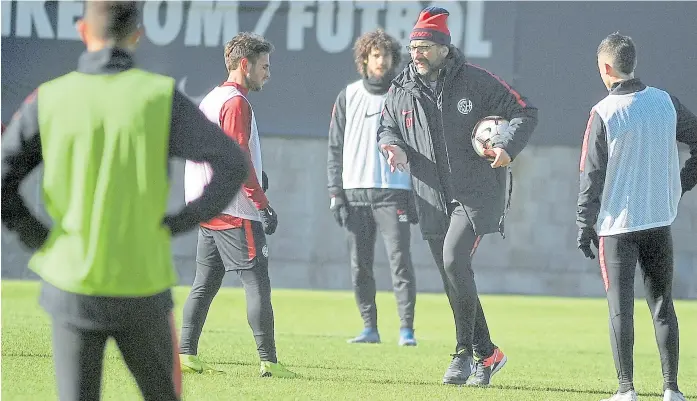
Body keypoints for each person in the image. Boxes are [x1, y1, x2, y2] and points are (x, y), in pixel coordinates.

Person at [0, 2, 249, 400]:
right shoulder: (158, 97)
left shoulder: (50, 99)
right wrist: (183, 220)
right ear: (137, 34)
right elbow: (232, 163)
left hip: (72, 280)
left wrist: (40, 238)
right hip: (142, 282)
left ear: (83, 31)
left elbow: (3, 178)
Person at [377, 6, 538, 386]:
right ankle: (489, 354)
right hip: (431, 196)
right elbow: (387, 126)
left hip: (475, 193)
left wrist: (507, 148)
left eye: (426, 46)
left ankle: (463, 354)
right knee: (454, 275)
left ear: (445, 49)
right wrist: (392, 145)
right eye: (414, 46)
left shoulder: (477, 82)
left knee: (453, 260)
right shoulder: (400, 88)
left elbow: (525, 112)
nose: (417, 53)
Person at [577, 32, 696, 401]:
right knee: (663, 305)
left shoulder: (604, 112)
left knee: (620, 309)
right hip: (659, 222)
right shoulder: (665, 101)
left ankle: (626, 389)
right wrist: (681, 183)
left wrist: (584, 224)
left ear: (607, 68)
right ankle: (671, 389)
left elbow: (590, 175)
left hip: (617, 227)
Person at [178, 32, 296, 379]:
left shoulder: (213, 98)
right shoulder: (236, 102)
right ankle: (269, 361)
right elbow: (238, 155)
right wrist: (262, 203)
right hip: (234, 209)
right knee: (257, 282)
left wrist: (259, 177)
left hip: (208, 207)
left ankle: (185, 353)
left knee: (204, 284)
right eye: (264, 66)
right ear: (245, 64)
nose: (267, 73)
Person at [327, 29, 418, 346]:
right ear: (364, 59)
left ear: (394, 60)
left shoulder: (404, 95)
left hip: (394, 193)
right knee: (359, 266)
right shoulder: (348, 96)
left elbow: (419, 145)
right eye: (375, 55)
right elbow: (335, 148)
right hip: (355, 195)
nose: (381, 61)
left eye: (387, 55)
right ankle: (370, 328)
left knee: (400, 262)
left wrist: (417, 192)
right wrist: (335, 193)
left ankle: (406, 330)